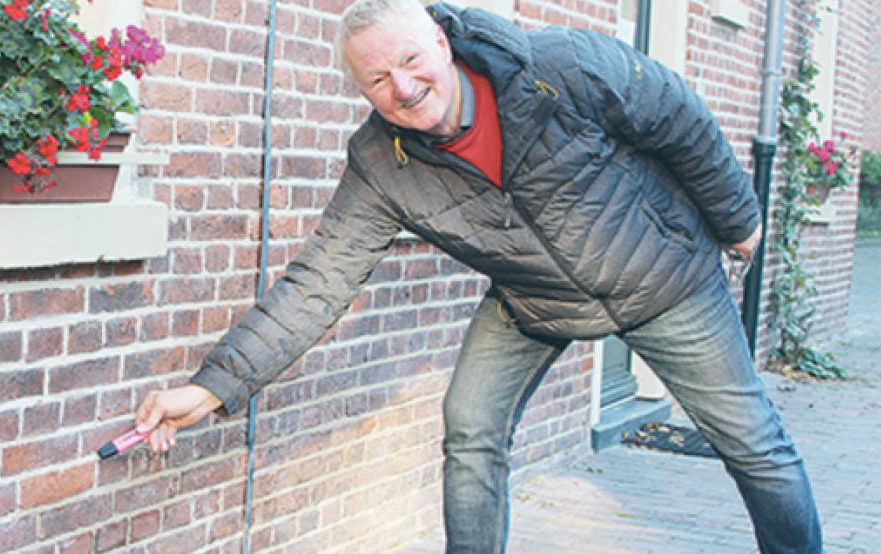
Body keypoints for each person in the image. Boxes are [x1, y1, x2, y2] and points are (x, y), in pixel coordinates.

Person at [134, 1, 822, 552]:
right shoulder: (382, 162)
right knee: (469, 427)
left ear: (440, 40)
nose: (403, 88)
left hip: (661, 275)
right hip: (534, 296)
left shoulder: (558, 65)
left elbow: (679, 118)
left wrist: (739, 220)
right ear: (363, 90)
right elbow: (317, 283)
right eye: (378, 80)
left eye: (410, 60)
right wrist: (211, 388)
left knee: (755, 444)